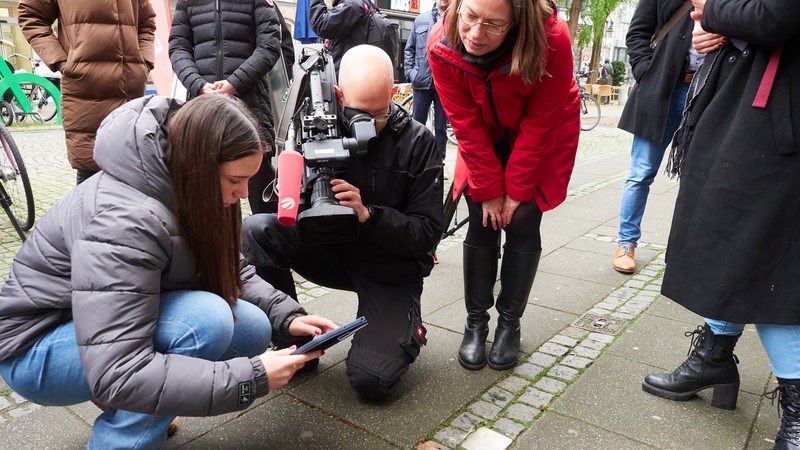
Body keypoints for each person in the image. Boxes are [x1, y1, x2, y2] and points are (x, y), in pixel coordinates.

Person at [0, 95, 337, 449]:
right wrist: (251, 378)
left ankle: (138, 408)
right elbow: (120, 369)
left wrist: (286, 315)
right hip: (35, 349)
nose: (241, 194)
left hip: (98, 328)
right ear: (199, 164)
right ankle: (120, 441)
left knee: (252, 326)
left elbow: (229, 267)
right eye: (236, 180)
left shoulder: (193, 186)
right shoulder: (124, 219)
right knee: (205, 321)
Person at [242, 45, 443, 401]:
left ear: (393, 91)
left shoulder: (419, 141)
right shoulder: (316, 127)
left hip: (389, 265)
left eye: (380, 114)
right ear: (339, 95)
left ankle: (404, 325)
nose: (370, 126)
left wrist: (368, 214)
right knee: (257, 230)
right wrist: (298, 180)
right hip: (330, 250)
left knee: (371, 382)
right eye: (361, 114)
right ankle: (294, 336)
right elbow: (291, 212)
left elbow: (427, 233)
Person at [641, 1, 800, 448]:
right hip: (745, 105)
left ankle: (798, 405)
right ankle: (714, 356)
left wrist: (714, 14)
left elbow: (779, 15)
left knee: (772, 262)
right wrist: (716, 30)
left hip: (775, 117)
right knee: (733, 241)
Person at [428, 0, 580, 371]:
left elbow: (542, 122)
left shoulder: (551, 38)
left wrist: (516, 189)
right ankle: (475, 323)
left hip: (543, 127)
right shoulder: (441, 43)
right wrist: (490, 189)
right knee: (482, 214)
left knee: (524, 217)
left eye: (494, 25)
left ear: (517, 21)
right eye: (470, 17)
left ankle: (509, 324)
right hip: (483, 129)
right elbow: (464, 124)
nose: (476, 35)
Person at [612, 0, 722, 274]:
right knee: (641, 172)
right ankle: (626, 243)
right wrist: (644, 72)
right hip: (663, 91)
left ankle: (685, 252)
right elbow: (637, 32)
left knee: (698, 178)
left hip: (710, 92)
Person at [18, 0, 156, 185]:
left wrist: (143, 62)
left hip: (130, 89)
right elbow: (31, 15)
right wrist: (62, 61)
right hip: (86, 90)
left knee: (134, 177)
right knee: (90, 178)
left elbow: (146, 21)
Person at [168, 0, 286, 214]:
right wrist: (199, 85)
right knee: (207, 193)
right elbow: (178, 48)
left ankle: (265, 242)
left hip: (251, 105)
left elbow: (269, 46)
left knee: (262, 191)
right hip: (203, 108)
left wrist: (234, 83)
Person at [403, 0, 450, 163]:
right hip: (421, 81)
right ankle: (415, 160)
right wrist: (411, 73)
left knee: (441, 127)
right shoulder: (420, 20)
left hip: (444, 84)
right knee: (417, 124)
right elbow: (409, 48)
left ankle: (439, 162)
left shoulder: (456, 21)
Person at [308, 0, 372, 73]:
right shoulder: (356, 4)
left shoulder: (351, 5)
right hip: (350, 70)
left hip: (347, 73)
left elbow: (321, 25)